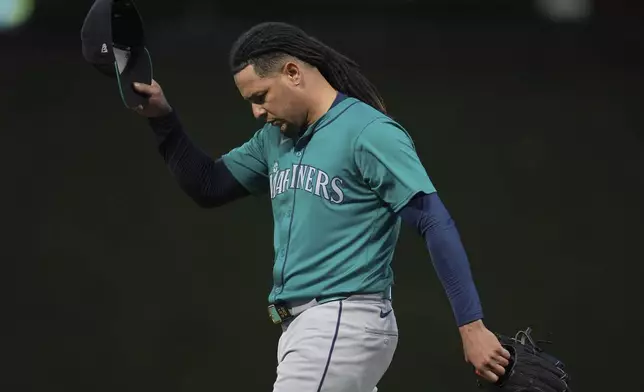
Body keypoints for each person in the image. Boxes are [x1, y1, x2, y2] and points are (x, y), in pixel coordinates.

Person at [131, 21, 510, 392]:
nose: (257, 112)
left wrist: (472, 327)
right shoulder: (273, 140)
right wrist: (164, 120)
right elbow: (208, 185)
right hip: (304, 329)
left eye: (260, 97)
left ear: (293, 72)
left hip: (341, 320)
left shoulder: (367, 131)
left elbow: (432, 220)